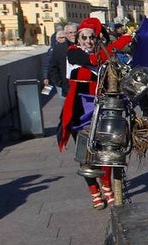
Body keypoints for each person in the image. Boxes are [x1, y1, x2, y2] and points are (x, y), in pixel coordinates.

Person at [57, 18, 114, 209]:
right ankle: (94, 192)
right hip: (79, 109)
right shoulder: (73, 53)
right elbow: (91, 61)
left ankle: (107, 186)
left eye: (91, 38)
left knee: (105, 152)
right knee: (85, 154)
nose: (88, 41)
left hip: (99, 108)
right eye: (84, 37)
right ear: (78, 39)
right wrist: (118, 44)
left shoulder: (99, 54)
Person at [45, 23, 77, 98]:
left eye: (75, 32)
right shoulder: (59, 49)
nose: (73, 35)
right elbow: (52, 67)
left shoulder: (84, 46)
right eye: (70, 32)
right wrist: (60, 83)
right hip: (67, 88)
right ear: (66, 34)